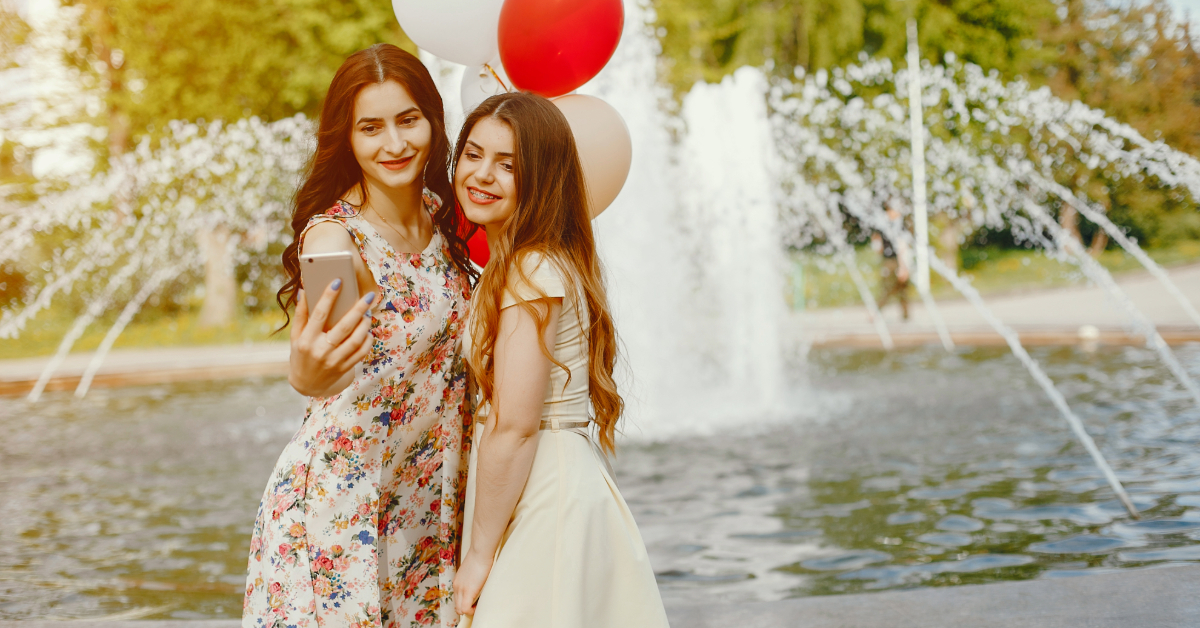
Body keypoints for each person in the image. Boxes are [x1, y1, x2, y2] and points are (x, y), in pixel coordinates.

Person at [243, 44, 477, 628]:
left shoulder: (440, 214)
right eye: (370, 128)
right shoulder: (331, 241)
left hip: (425, 502)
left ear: (433, 120)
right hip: (345, 514)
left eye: (408, 120)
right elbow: (323, 366)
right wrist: (306, 372)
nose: (393, 145)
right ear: (346, 139)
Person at [449, 92, 669, 628]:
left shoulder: (530, 270)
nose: (482, 174)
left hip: (544, 494)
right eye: (473, 154)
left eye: (508, 165)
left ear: (542, 179)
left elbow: (517, 426)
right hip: (552, 485)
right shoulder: (533, 260)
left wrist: (478, 557)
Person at [873, 202, 911, 320]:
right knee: (889, 288)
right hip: (890, 261)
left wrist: (903, 267)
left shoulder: (899, 225)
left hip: (898, 260)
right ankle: (877, 312)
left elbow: (903, 247)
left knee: (900, 289)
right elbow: (876, 241)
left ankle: (904, 314)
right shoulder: (887, 225)